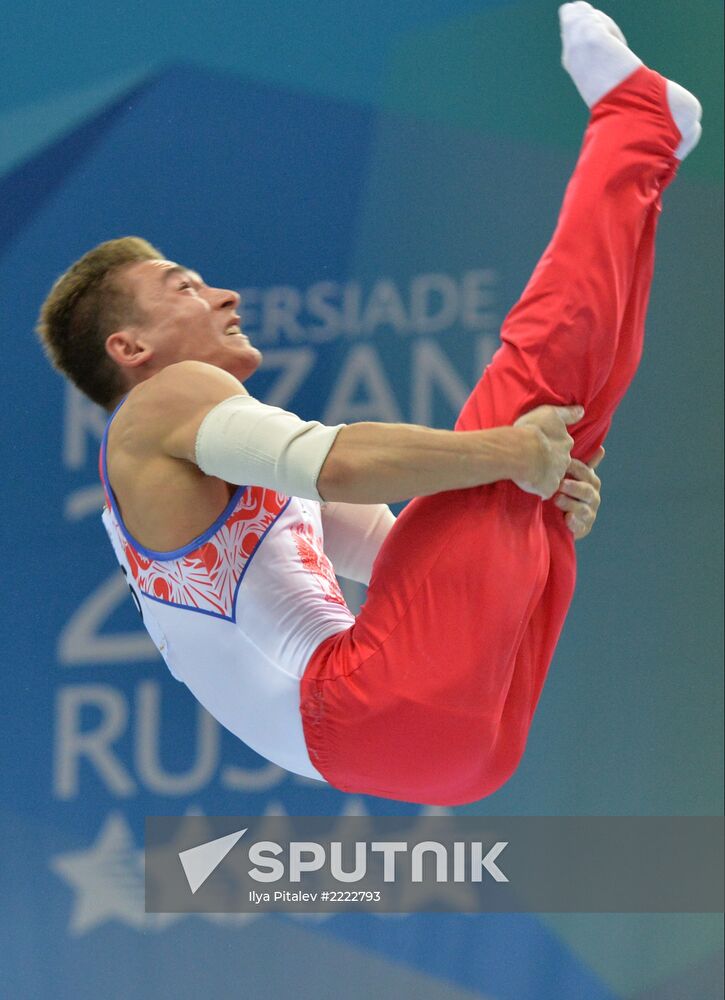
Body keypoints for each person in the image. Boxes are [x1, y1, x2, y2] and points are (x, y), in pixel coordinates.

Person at [36, 3, 701, 805]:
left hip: (437, 754)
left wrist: (533, 501)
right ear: (129, 349)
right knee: (526, 407)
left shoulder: (191, 458)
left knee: (562, 429)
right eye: (184, 287)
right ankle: (633, 124)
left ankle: (645, 153)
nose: (223, 293)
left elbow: (410, 559)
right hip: (363, 710)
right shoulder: (156, 405)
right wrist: (509, 456)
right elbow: (337, 463)